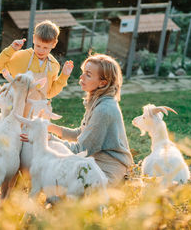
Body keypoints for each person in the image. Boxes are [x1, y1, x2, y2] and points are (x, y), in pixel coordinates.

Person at [46, 53, 133, 185]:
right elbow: (81, 134)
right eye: (83, 72)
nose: (81, 77)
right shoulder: (98, 100)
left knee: (57, 180)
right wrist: (50, 128)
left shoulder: (104, 109)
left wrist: (49, 139)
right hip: (94, 163)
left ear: (102, 83)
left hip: (108, 171)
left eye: (88, 74)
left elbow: (82, 150)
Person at [0, 20, 74, 100]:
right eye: (38, 46)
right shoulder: (21, 56)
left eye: (45, 47)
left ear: (54, 44)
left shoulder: (54, 65)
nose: (41, 51)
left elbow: (49, 94)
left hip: (37, 110)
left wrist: (64, 76)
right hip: (15, 107)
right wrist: (11, 49)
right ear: (34, 39)